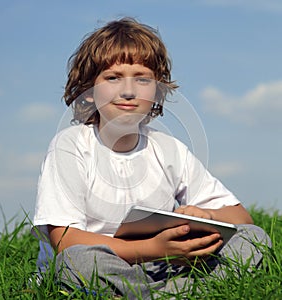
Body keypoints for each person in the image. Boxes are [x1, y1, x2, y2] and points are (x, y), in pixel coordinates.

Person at [32, 17, 271, 298]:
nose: (129, 91)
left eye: (143, 79)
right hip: (109, 267)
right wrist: (154, 248)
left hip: (165, 267)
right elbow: (65, 240)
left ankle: (163, 293)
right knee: (76, 261)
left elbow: (241, 217)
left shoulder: (168, 148)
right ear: (88, 91)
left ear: (157, 90)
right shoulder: (70, 146)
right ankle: (182, 294)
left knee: (254, 239)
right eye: (113, 77)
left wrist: (204, 215)